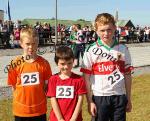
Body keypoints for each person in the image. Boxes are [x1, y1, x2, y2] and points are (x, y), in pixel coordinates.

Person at [80, 13, 133, 121]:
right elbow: (85, 78)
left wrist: (128, 98)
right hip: (100, 97)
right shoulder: (91, 50)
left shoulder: (123, 49)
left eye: (109, 29)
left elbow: (127, 75)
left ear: (114, 28)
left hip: (119, 96)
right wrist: (90, 101)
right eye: (102, 30)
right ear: (96, 30)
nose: (106, 33)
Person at [7, 27, 52, 121]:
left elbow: (46, 86)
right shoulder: (14, 64)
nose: (31, 47)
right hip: (21, 110)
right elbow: (14, 87)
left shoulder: (44, 63)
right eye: (28, 44)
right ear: (21, 44)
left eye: (34, 43)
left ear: (38, 43)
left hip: (39, 110)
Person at [46, 46, 87, 121]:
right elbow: (53, 99)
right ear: (57, 63)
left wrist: (73, 118)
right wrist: (60, 118)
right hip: (56, 119)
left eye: (69, 63)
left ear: (73, 61)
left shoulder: (79, 80)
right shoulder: (53, 79)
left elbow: (80, 100)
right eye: (62, 64)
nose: (66, 66)